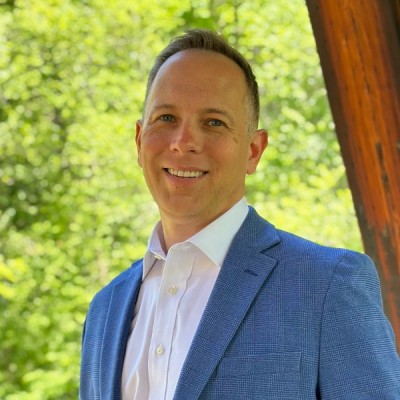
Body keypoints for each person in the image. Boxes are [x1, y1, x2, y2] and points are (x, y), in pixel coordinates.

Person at [79, 29, 400, 399]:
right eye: (166, 117)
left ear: (253, 150)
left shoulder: (328, 286)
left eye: (214, 122)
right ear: (139, 141)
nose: (184, 142)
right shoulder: (104, 311)